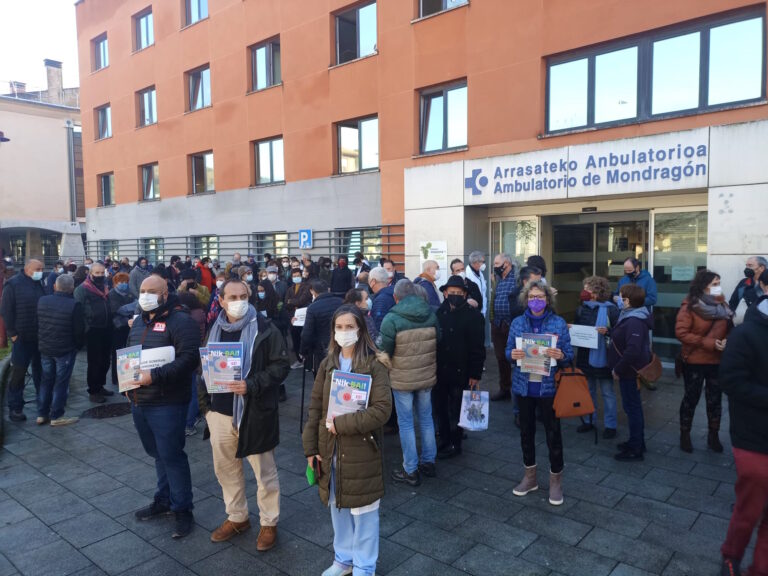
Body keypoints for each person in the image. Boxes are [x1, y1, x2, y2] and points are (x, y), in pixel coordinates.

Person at [199, 279, 290, 550]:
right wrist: (206, 409)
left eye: (243, 295)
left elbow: (281, 366)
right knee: (226, 470)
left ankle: (269, 522)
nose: (238, 300)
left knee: (264, 472)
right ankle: (237, 517)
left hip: (255, 412)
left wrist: (251, 385)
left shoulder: (265, 328)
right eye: (232, 296)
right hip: (220, 413)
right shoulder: (214, 328)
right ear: (222, 300)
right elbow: (203, 369)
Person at [302, 305, 391, 576]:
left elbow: (382, 410)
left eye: (349, 327)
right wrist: (311, 448)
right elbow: (315, 407)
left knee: (363, 512)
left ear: (361, 329)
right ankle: (344, 559)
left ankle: (364, 566)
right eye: (338, 327)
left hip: (362, 449)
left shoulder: (374, 365)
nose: (344, 332)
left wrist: (341, 425)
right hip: (330, 450)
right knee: (336, 505)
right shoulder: (328, 364)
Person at [127, 275, 200, 539]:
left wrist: (155, 375)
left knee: (171, 454)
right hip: (139, 399)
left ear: (165, 294)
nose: (145, 295)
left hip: (168, 401)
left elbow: (189, 359)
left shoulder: (181, 321)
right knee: (157, 453)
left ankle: (183, 508)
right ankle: (164, 499)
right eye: (143, 290)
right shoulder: (138, 321)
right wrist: (126, 382)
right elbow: (129, 354)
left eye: (152, 291)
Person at [506, 281, 572, 506]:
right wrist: (512, 354)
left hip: (548, 389)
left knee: (553, 435)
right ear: (526, 298)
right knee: (526, 433)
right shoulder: (517, 322)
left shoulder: (558, 322)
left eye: (540, 297)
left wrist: (560, 354)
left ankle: (555, 482)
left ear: (547, 300)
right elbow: (507, 351)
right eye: (532, 296)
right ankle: (530, 478)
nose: (536, 301)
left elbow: (570, 355)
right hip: (523, 387)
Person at [718, 294, 768, 576]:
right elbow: (731, 380)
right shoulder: (746, 333)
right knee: (749, 509)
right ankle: (731, 558)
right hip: (754, 439)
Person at [378, 279, 439, 486]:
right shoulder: (430, 314)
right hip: (426, 374)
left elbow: (384, 348)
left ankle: (410, 469)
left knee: (405, 423)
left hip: (402, 377)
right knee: (426, 418)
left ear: (396, 297)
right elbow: (438, 339)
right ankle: (429, 462)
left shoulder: (391, 318)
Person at [675, 270, 732, 453]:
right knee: (691, 398)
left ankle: (713, 436)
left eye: (719, 283)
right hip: (694, 360)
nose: (718, 287)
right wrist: (709, 343)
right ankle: (685, 435)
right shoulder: (689, 306)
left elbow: (729, 327)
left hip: (717, 361)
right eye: (715, 284)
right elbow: (681, 333)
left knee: (715, 400)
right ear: (704, 285)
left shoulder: (722, 303)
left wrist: (727, 341)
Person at [434, 276, 485, 459]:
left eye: (458, 293)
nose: (454, 295)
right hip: (440, 369)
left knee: (457, 408)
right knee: (440, 407)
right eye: (451, 292)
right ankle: (444, 438)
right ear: (446, 293)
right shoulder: (440, 311)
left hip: (461, 370)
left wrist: (475, 373)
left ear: (464, 294)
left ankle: (456, 443)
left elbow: (478, 348)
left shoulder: (474, 316)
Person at [608, 284, 653, 462]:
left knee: (632, 408)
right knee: (631, 407)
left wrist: (618, 369)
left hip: (629, 372)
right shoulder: (630, 316)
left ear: (628, 300)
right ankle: (636, 441)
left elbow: (632, 350)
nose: (619, 300)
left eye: (621, 298)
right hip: (628, 371)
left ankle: (636, 449)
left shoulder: (634, 320)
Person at [572, 276, 620, 439]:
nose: (584, 292)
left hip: (604, 357)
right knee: (588, 390)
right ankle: (588, 421)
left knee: (607, 392)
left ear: (596, 292)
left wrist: (607, 332)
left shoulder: (611, 309)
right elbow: (578, 330)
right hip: (586, 356)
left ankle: (610, 425)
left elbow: (619, 333)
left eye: (587, 289)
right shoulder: (581, 308)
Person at [36, 274, 85, 426]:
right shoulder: (74, 305)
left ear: (55, 286)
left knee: (46, 380)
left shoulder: (43, 300)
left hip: (46, 347)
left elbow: (39, 322)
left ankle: (42, 414)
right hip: (64, 350)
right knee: (61, 382)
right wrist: (78, 346)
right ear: (72, 288)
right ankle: (56, 415)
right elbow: (79, 331)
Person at [0, 259, 45, 422]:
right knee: (19, 373)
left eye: (42, 268)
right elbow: (6, 310)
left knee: (41, 371)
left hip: (40, 336)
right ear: (27, 269)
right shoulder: (13, 284)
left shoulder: (40, 283)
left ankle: (44, 403)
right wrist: (12, 334)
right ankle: (15, 407)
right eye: (38, 268)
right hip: (21, 337)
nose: (41, 271)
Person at [74, 263, 114, 403]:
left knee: (105, 360)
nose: (100, 275)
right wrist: (86, 328)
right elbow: (78, 311)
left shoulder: (105, 286)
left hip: (107, 328)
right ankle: (93, 390)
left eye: (102, 272)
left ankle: (100, 385)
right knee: (94, 362)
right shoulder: (82, 289)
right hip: (93, 329)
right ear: (90, 273)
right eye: (97, 273)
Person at [301, 280, 343, 373]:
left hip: (322, 349)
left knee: (322, 375)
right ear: (328, 289)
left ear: (312, 291)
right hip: (341, 345)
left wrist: (303, 351)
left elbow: (306, 334)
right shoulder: (341, 302)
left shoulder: (313, 307)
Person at [490, 253, 517, 402]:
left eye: (496, 263)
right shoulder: (499, 279)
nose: (495, 266)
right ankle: (505, 388)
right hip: (498, 323)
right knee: (501, 358)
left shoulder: (516, 279)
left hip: (511, 324)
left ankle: (518, 391)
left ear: (506, 264)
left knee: (515, 357)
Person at [108, 272, 137, 389]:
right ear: (115, 283)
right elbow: (118, 310)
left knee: (128, 351)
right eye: (121, 282)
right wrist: (131, 307)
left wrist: (130, 308)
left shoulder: (129, 293)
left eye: (126, 282)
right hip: (117, 327)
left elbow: (137, 306)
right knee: (117, 353)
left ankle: (127, 376)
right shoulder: (112, 294)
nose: (124, 284)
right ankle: (116, 378)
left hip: (129, 327)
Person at [285, 267, 312, 369]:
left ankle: (307, 360)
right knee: (295, 340)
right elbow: (286, 304)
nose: (296, 277)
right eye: (294, 276)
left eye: (298, 276)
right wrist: (293, 303)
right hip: (293, 318)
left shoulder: (306, 286)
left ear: (301, 276)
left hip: (304, 318)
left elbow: (302, 300)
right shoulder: (290, 289)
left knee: (305, 339)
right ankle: (299, 360)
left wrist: (292, 302)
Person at [368, 267, 395, 337]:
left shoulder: (381, 300)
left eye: (369, 280)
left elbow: (378, 326)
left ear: (373, 281)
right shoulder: (394, 293)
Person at [465, 251, 488, 317]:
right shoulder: (467, 274)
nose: (484, 264)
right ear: (476, 262)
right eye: (483, 262)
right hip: (472, 312)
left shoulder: (479, 273)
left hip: (481, 310)